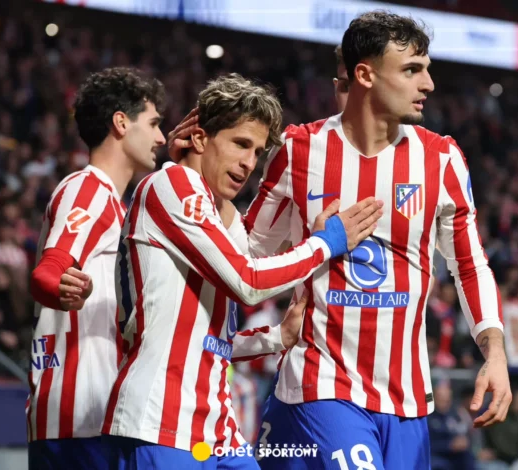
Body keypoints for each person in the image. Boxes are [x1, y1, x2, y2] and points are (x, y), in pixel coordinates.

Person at [243, 11, 511, 469]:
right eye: (411, 70)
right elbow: (247, 258)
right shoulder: (299, 150)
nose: (428, 84)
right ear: (365, 75)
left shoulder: (441, 159)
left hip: (406, 400)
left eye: (427, 69)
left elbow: (470, 265)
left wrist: (496, 351)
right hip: (323, 383)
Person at [102, 73, 383, 469]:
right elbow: (248, 281)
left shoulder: (227, 216)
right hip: (159, 421)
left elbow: (211, 340)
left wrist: (276, 337)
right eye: (240, 144)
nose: (249, 162)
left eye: (257, 152)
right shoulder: (170, 184)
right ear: (201, 139)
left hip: (217, 427)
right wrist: (325, 243)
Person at [26, 67, 167, 469]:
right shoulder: (89, 189)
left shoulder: (114, 205)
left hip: (91, 414)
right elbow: (47, 273)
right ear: (121, 123)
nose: (161, 137)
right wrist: (62, 288)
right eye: (154, 124)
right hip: (79, 418)